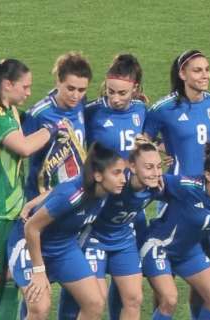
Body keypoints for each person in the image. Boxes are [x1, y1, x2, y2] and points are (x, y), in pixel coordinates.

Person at [0, 59, 57, 319]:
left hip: (12, 212)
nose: (28, 92)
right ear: (7, 84)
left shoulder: (12, 112)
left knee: (10, 284)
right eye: (25, 87)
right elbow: (24, 147)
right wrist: (53, 129)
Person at [7, 142, 127, 320]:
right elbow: (31, 227)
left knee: (94, 303)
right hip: (30, 245)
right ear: (98, 176)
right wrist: (39, 271)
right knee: (40, 308)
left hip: (64, 247)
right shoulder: (73, 196)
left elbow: (57, 189)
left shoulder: (103, 190)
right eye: (117, 173)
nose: (123, 179)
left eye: (123, 172)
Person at [58, 143, 163, 320]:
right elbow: (74, 189)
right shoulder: (116, 181)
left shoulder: (157, 185)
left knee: (134, 299)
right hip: (94, 239)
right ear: (132, 166)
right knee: (95, 301)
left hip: (124, 240)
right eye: (149, 167)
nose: (156, 172)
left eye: (159, 166)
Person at [83, 53, 150, 320]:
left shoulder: (142, 111)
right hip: (97, 214)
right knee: (93, 300)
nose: (115, 98)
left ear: (135, 88)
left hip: (127, 216)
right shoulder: (91, 112)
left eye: (123, 93)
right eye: (111, 91)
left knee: (133, 298)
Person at [141, 144, 210, 320]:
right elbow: (155, 180)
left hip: (188, 251)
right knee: (169, 300)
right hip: (159, 247)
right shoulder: (187, 186)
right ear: (208, 175)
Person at [23, 52, 93, 201]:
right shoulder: (38, 114)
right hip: (41, 197)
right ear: (58, 82)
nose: (75, 95)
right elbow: (22, 150)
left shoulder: (81, 104)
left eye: (81, 90)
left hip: (74, 194)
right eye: (71, 88)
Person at [144, 49, 210, 177]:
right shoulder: (164, 108)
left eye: (207, 70)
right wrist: (162, 154)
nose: (205, 75)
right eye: (197, 71)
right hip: (178, 185)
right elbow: (143, 141)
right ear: (182, 74)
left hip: (209, 184)